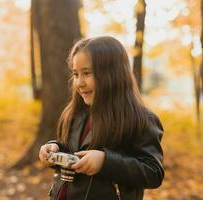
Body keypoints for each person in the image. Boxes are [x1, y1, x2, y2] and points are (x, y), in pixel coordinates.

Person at [39, 36, 164, 200]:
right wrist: (54, 149)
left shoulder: (141, 120)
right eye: (76, 74)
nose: (79, 83)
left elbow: (153, 172)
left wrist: (106, 162)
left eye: (87, 73)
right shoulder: (76, 114)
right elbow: (70, 149)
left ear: (113, 74)